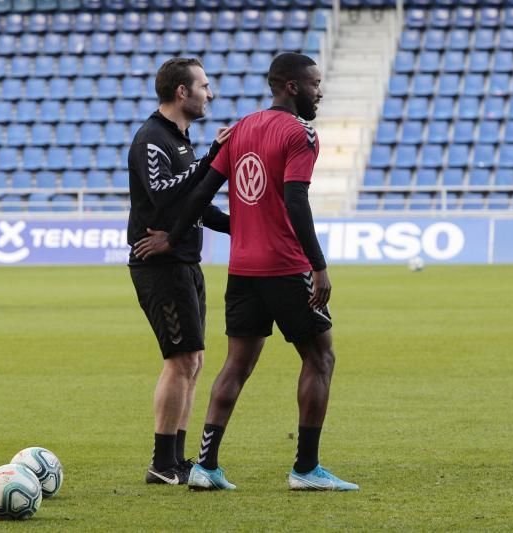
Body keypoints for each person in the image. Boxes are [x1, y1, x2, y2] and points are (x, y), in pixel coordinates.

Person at [134, 52, 358, 491]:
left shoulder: (242, 129)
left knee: (235, 364)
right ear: (292, 86)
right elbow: (296, 199)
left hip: (243, 270)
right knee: (320, 356)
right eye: (314, 83)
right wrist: (319, 265)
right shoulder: (301, 134)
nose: (320, 91)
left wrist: (172, 235)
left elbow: (202, 191)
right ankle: (306, 469)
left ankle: (205, 466)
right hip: (286, 265)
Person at [127, 57, 231, 485]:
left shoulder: (179, 138)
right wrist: (211, 159)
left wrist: (242, 223)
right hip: (160, 266)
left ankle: (176, 459)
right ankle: (162, 462)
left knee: (194, 360)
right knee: (180, 359)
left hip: (185, 260)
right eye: (205, 85)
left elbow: (196, 205)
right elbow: (164, 192)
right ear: (182, 92)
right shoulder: (152, 138)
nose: (212, 93)